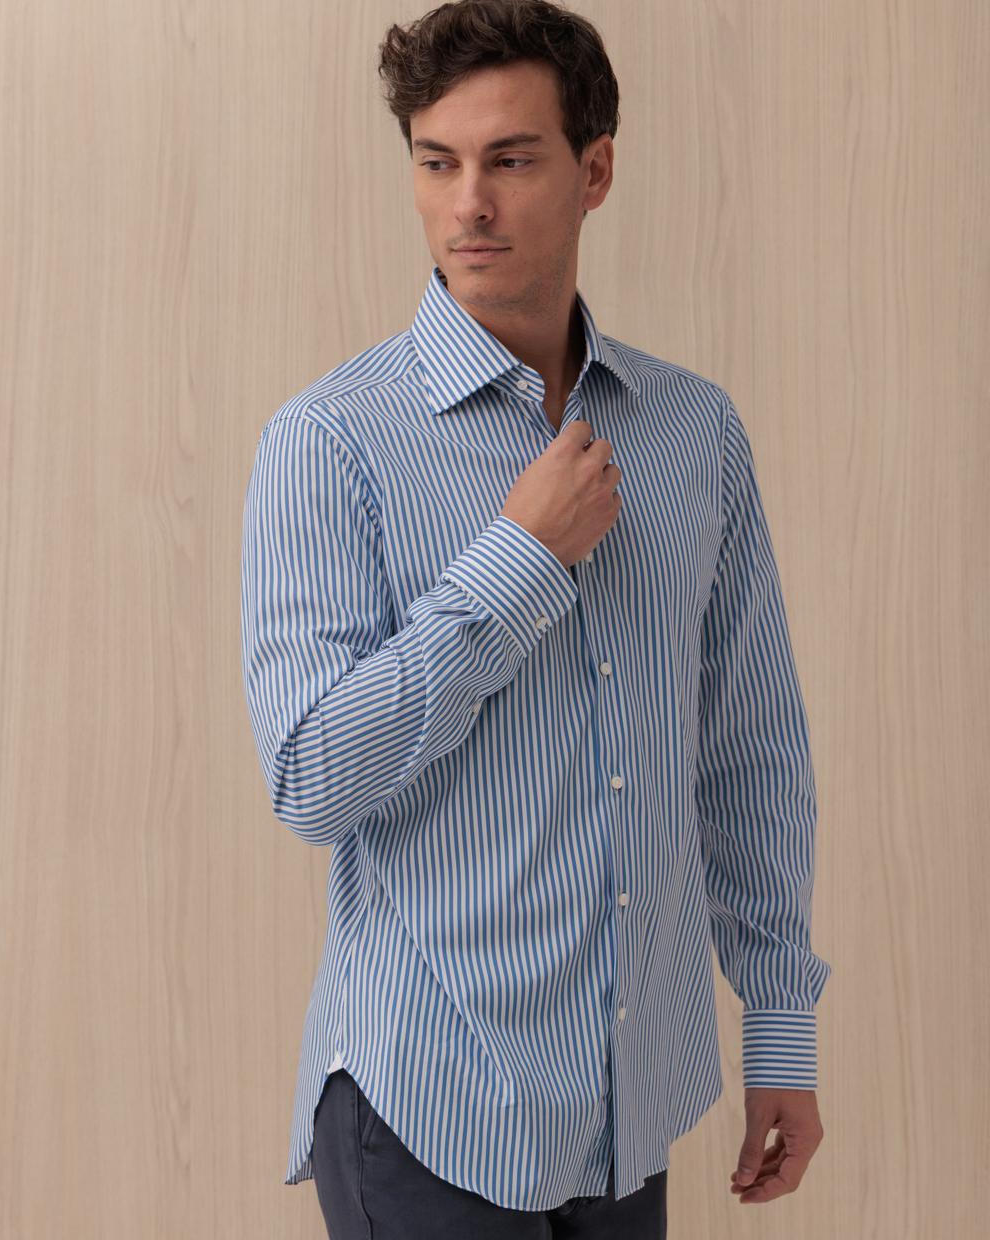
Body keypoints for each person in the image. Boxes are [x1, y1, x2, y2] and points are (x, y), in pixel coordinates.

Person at [239, 1, 831, 1235]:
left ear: (592, 170)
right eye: (435, 163)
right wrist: (518, 560)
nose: (468, 205)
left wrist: (778, 1025)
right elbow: (309, 778)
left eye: (508, 160)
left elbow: (748, 750)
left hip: (628, 1103)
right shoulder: (329, 442)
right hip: (427, 1100)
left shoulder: (693, 432)